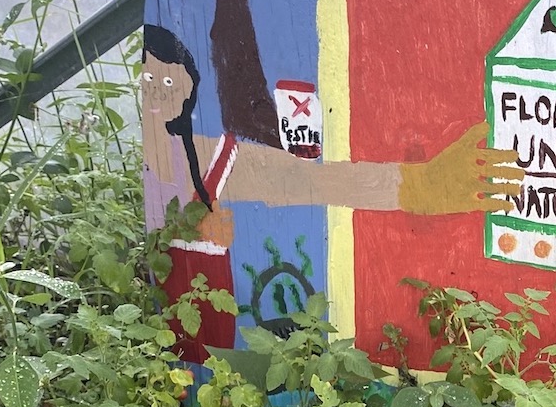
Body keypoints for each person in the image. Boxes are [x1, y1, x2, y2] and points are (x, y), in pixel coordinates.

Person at [141, 23, 521, 361]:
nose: (157, 92)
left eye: (169, 81)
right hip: (166, 357)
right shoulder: (157, 165)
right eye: (148, 80)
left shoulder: (210, 159)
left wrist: (414, 185)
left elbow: (305, 180)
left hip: (211, 358)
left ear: (189, 86)